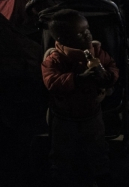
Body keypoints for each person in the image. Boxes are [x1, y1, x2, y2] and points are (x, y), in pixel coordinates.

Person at [41, 9, 118, 186]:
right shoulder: (55, 59)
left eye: (87, 29)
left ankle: (102, 172)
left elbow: (112, 66)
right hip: (64, 114)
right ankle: (59, 175)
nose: (87, 34)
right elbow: (51, 82)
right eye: (81, 33)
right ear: (63, 39)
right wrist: (77, 78)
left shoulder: (97, 51)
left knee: (98, 144)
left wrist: (108, 77)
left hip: (92, 112)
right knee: (61, 148)